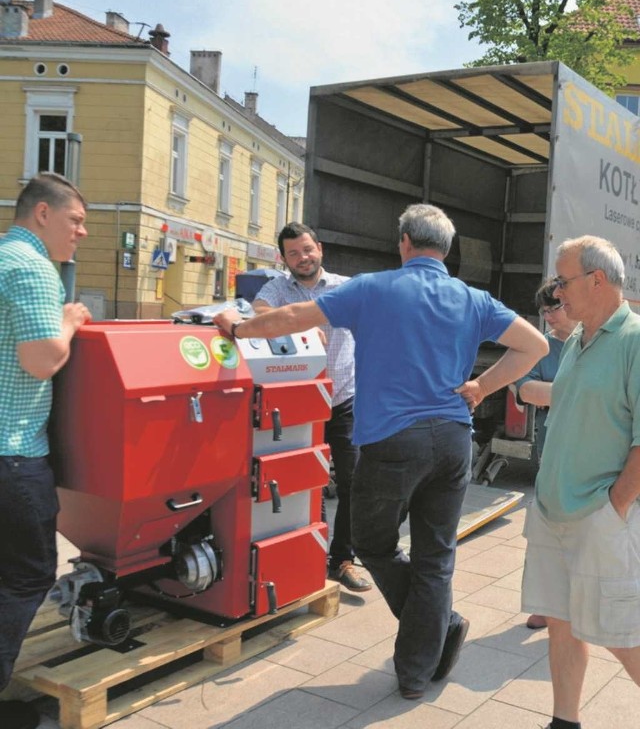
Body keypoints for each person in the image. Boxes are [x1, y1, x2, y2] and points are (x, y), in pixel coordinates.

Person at [215, 203, 547, 699]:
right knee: (436, 558)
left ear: (405, 244)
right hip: (455, 439)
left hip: (393, 441)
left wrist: (235, 327)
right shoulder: (472, 298)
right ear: (446, 250)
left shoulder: (372, 288)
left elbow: (289, 318)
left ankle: (437, 629)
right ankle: (417, 671)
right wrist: (481, 386)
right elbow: (535, 345)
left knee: (372, 544)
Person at [521, 236, 640, 729]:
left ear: (597, 279)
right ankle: (563, 720)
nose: (556, 294)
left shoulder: (634, 340)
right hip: (553, 513)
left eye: (562, 281)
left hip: (598, 516)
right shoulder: (576, 340)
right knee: (562, 625)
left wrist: (614, 506)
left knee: (623, 634)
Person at [0, 173, 91, 729]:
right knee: (30, 574)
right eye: (75, 220)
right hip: (13, 452)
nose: (81, 232)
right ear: (41, 213)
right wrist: (71, 319)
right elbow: (40, 359)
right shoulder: (33, 267)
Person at [252, 222, 371, 592]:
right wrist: (297, 330)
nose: (302, 258)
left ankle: (343, 559)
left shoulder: (345, 286)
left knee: (354, 482)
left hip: (344, 398)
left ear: (319, 248)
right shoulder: (277, 289)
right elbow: (258, 314)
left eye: (307, 250)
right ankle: (312, 554)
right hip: (299, 404)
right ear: (283, 258)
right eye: (293, 253)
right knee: (306, 481)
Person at [515, 279, 578, 630]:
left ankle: (575, 600)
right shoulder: (542, 347)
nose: (548, 316)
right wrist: (578, 392)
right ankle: (543, 603)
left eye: (553, 308)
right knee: (545, 527)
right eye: (544, 311)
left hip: (595, 451)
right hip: (554, 448)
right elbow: (527, 390)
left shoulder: (599, 342)